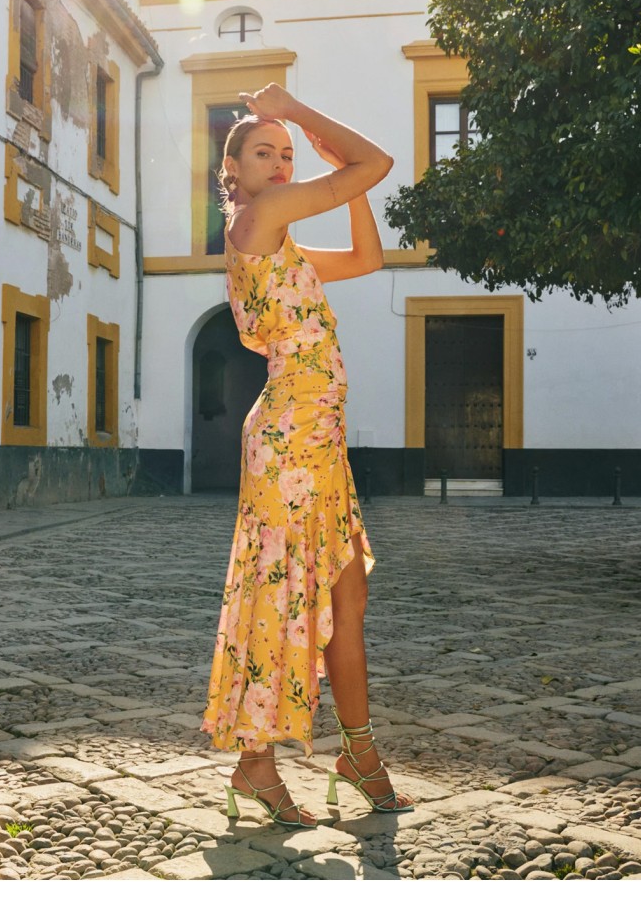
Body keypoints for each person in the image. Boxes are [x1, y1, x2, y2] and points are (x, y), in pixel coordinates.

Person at [201, 83, 413, 827]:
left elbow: (366, 254)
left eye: (288, 153)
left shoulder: (278, 236)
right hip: (294, 437)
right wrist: (300, 114)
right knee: (286, 595)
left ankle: (358, 755)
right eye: (267, 150)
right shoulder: (261, 215)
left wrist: (323, 155)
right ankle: (256, 763)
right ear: (234, 168)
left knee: (344, 599)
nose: (282, 160)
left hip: (313, 436)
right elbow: (377, 161)